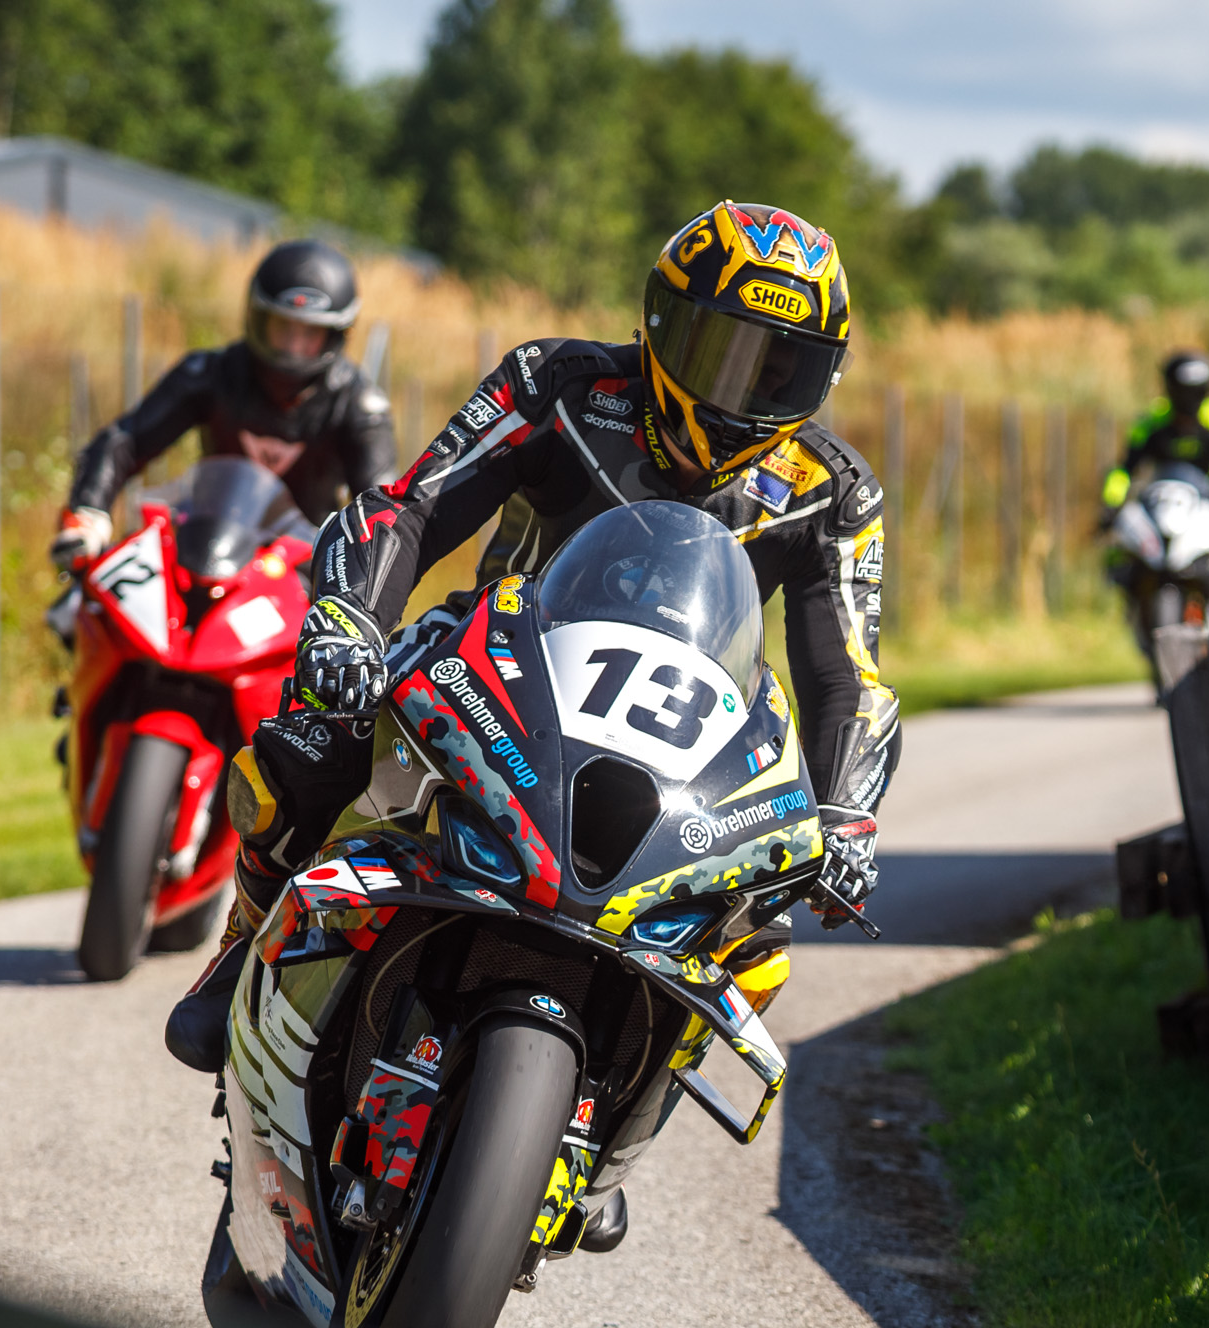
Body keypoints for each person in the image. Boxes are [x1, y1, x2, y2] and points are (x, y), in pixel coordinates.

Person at [163, 202, 898, 1110]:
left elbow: (846, 676)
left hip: (688, 732)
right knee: (316, 737)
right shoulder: (558, 384)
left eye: (782, 368)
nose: (746, 389)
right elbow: (412, 506)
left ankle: (628, 1095)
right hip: (498, 664)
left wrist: (847, 815)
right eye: (725, 353)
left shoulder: (834, 493)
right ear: (662, 323)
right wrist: (349, 620)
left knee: (762, 922)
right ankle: (243, 943)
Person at [44, 239, 398, 608]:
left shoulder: (360, 406)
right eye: (283, 327)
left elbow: (380, 508)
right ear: (258, 319)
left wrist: (359, 579)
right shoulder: (211, 373)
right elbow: (126, 440)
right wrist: (88, 515)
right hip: (200, 554)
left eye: (309, 333)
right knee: (78, 611)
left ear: (334, 335)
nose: (294, 345)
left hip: (300, 579)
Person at [1098, 350, 1209, 595]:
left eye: (1194, 392)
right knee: (1119, 543)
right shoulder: (1152, 421)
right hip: (1161, 505)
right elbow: (1124, 471)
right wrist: (1111, 504)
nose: (1188, 400)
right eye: (1182, 392)